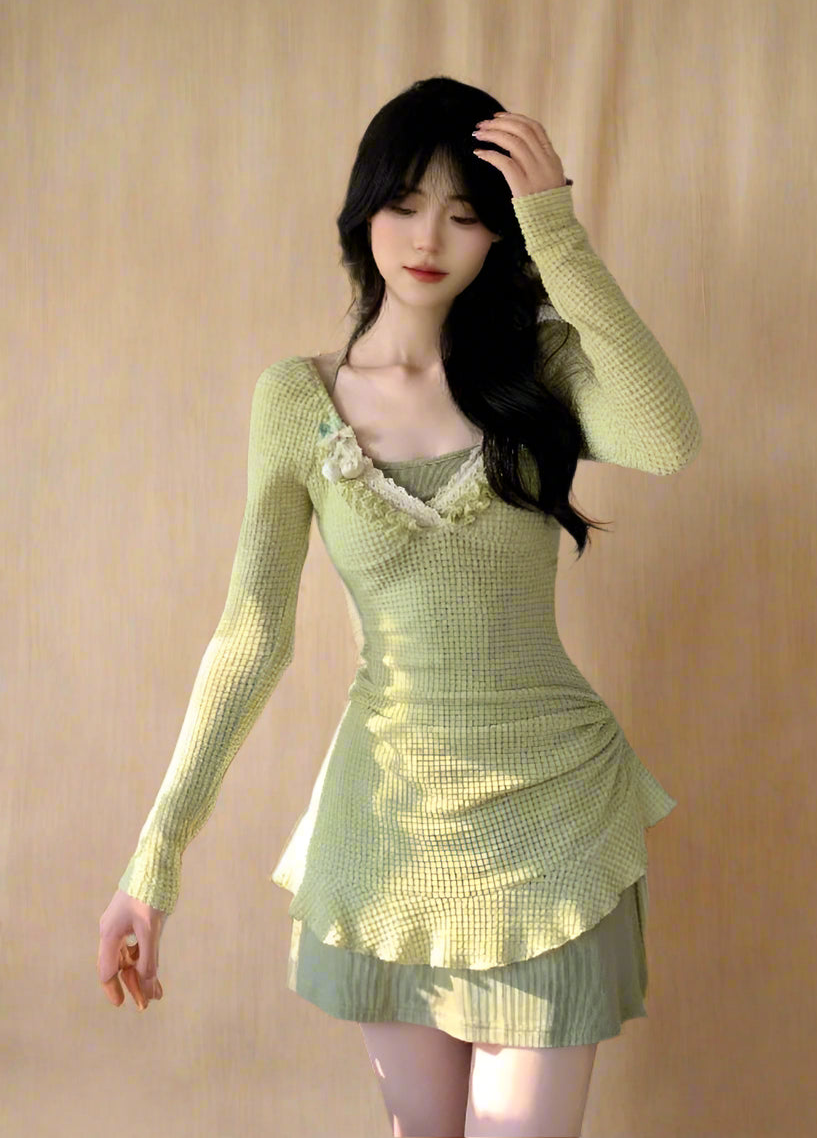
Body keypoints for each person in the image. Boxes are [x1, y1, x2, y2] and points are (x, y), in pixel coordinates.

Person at [97, 76, 701, 1137]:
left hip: (551, 822)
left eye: (466, 213)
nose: (428, 238)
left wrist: (555, 227)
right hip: (388, 834)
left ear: (498, 233)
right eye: (405, 203)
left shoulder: (541, 370)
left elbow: (666, 437)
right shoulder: (295, 401)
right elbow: (251, 637)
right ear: (362, 210)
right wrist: (155, 862)